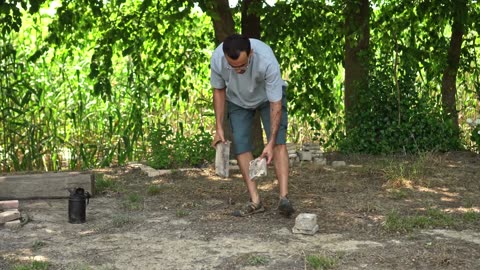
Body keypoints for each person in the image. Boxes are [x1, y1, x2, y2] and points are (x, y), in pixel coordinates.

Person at [210, 34, 294, 217]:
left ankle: (284, 199)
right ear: (225, 58)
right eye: (234, 67)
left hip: (268, 99)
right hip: (237, 100)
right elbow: (218, 89)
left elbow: (276, 104)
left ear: (251, 54)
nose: (239, 70)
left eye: (243, 65)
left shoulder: (266, 60)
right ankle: (255, 201)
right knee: (240, 144)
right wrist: (219, 128)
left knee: (279, 142)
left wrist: (270, 142)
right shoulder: (217, 59)